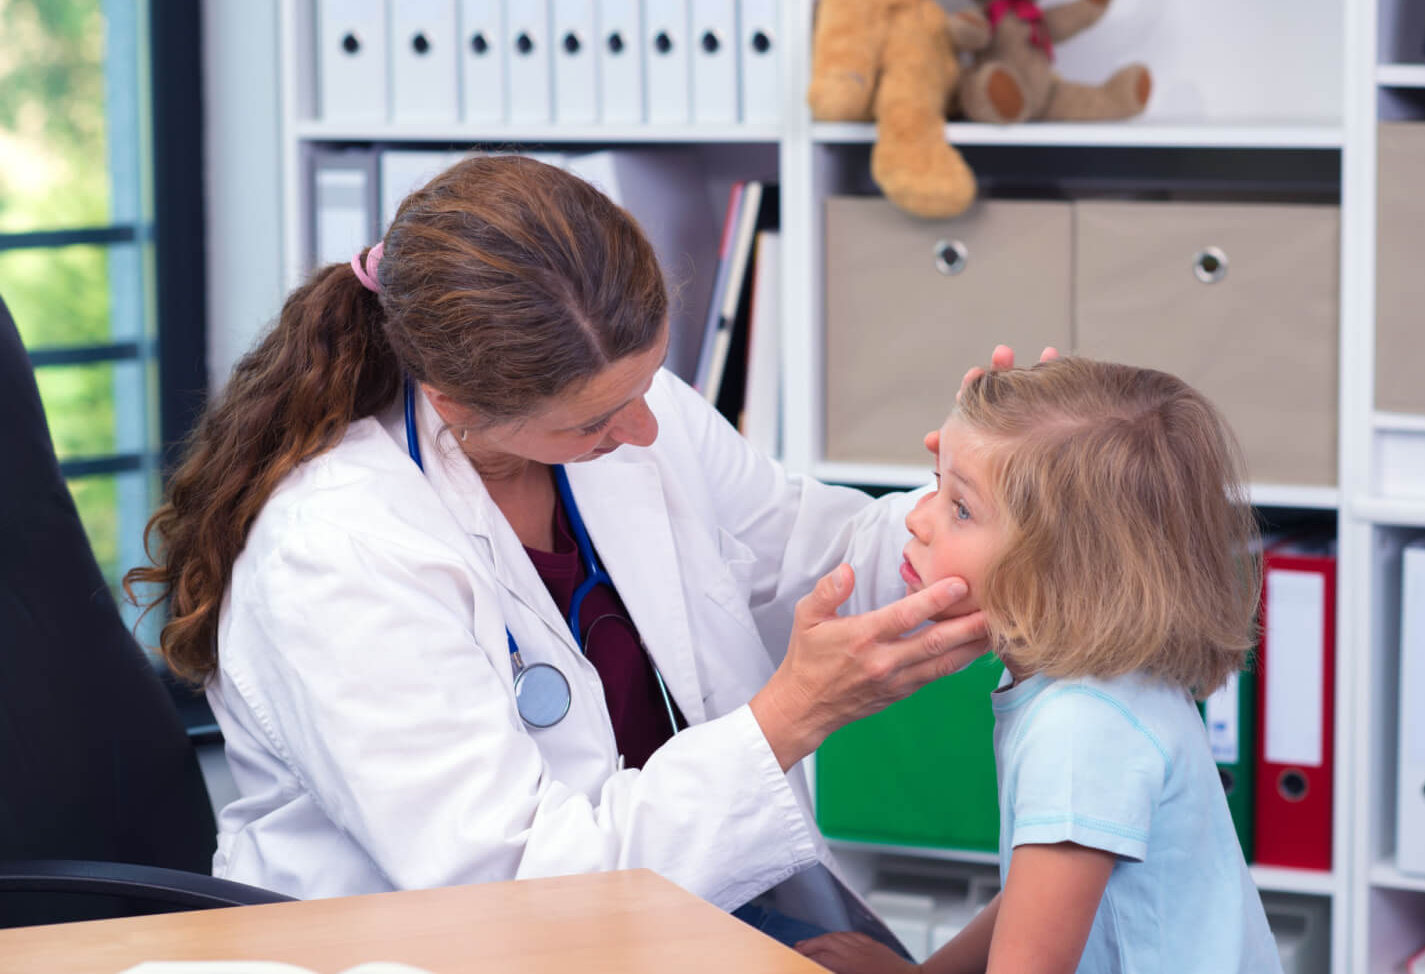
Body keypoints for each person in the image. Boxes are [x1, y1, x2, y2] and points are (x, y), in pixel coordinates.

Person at [123, 154, 992, 946]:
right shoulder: (337, 551)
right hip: (444, 949)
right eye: (595, 421)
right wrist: (793, 714)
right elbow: (519, 892)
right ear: (456, 404)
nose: (645, 427)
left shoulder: (617, 400)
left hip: (689, 908)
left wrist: (1006, 494)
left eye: (650, 383)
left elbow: (824, 551)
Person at [795, 356, 1282, 973]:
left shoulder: (1080, 728)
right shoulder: (1084, 684)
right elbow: (1040, 894)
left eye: (961, 507)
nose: (917, 517)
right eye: (935, 482)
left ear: (1062, 569)